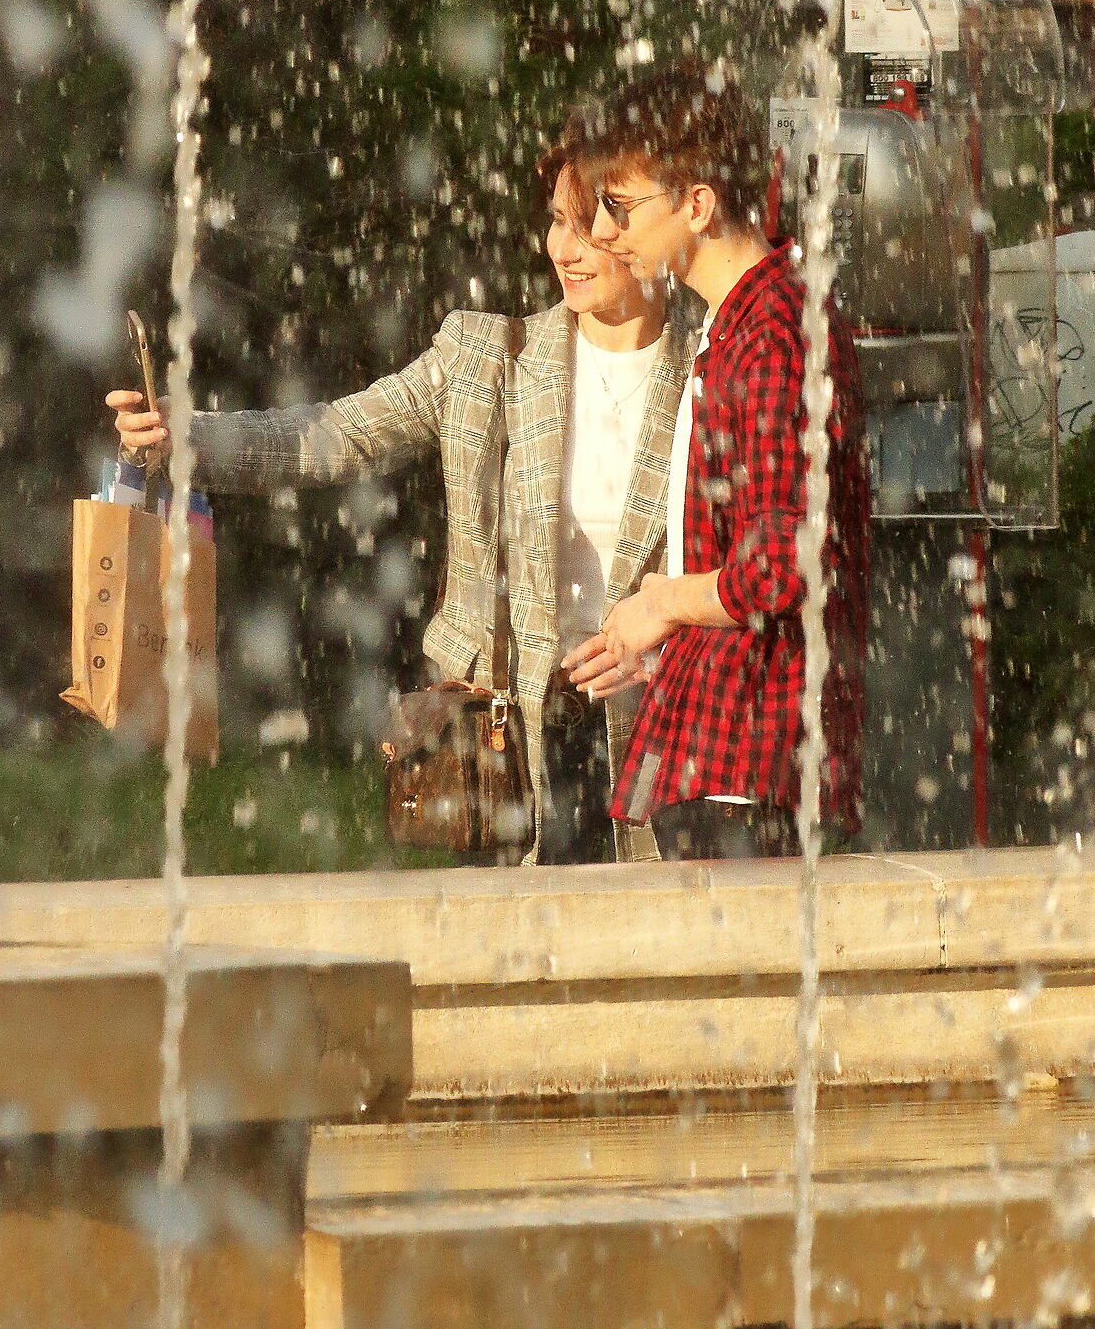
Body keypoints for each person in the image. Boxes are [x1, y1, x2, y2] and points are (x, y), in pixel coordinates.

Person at [107, 134, 695, 863]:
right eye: (553, 221)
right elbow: (338, 435)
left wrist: (670, 648)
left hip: (665, 734)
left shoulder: (710, 359)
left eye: (586, 225)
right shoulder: (486, 356)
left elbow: (752, 558)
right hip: (506, 743)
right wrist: (182, 437)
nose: (562, 249)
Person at [565, 67, 870, 862]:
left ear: (697, 205)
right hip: (738, 753)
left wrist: (662, 604)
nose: (603, 230)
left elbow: (781, 564)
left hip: (751, 767)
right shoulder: (746, 321)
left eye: (622, 206)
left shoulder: (770, 335)